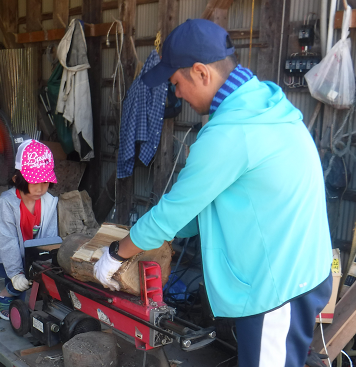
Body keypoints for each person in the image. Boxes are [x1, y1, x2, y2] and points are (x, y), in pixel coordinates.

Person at [94, 19, 333, 367]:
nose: (176, 94)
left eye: (176, 83)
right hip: (302, 267)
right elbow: (205, 209)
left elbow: (169, 214)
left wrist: (115, 254)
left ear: (201, 73)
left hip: (278, 286)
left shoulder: (229, 134)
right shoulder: (262, 103)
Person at [0, 139, 58, 320]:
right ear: (17, 179)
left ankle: (20, 302)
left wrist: (45, 263)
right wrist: (16, 274)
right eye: (34, 182)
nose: (40, 188)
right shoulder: (6, 203)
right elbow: (7, 241)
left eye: (45, 182)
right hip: (0, 256)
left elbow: (49, 237)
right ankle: (2, 298)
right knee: (21, 281)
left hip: (27, 255)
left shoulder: (49, 202)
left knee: (35, 276)